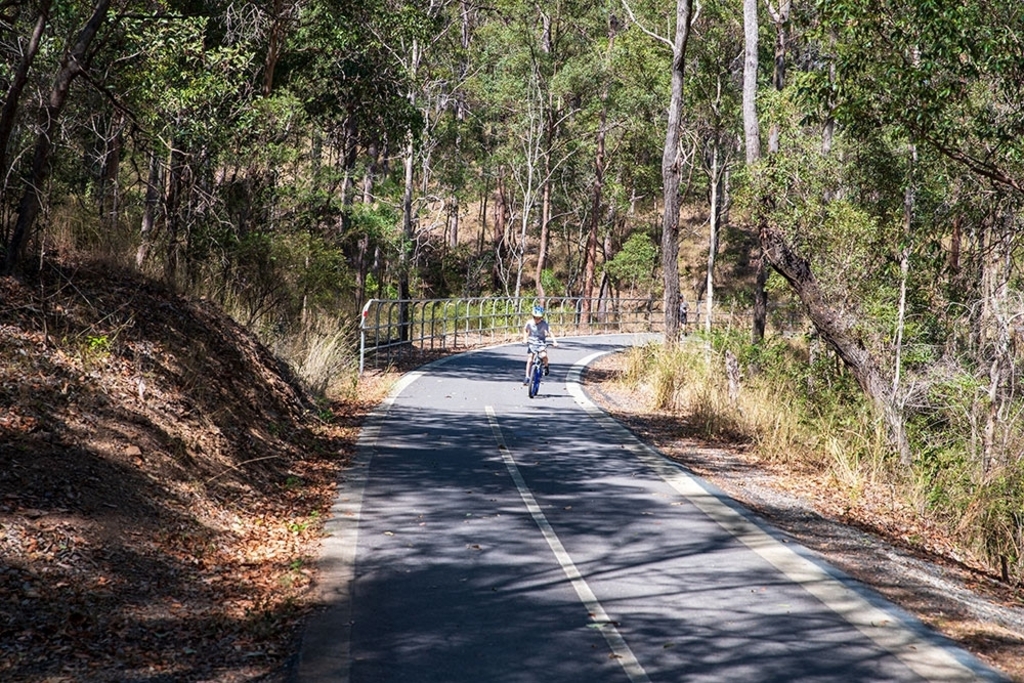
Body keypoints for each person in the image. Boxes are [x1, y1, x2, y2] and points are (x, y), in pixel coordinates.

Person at [522, 305, 557, 384]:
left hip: (541, 343)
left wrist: (554, 341)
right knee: (530, 359)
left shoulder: (544, 324)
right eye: (535, 318)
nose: (537, 320)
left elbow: (550, 332)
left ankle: (546, 366)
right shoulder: (529, 323)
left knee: (544, 355)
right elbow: (525, 330)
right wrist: (525, 338)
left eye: (539, 318)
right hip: (532, 342)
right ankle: (527, 376)